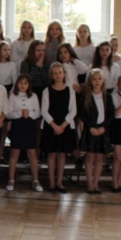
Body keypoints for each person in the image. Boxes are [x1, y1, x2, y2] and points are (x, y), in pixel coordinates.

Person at [40, 63, 77, 193]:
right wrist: (55, 126)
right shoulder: (47, 91)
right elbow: (44, 111)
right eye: (55, 73)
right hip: (51, 126)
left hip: (65, 126)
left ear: (64, 74)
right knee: (51, 154)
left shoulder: (70, 91)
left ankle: (59, 182)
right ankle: (51, 183)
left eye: (60, 72)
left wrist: (62, 126)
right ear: (52, 76)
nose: (58, 75)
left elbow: (73, 111)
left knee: (62, 155)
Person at [79, 69, 115, 194]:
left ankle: (96, 183)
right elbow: (82, 114)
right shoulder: (86, 96)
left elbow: (111, 114)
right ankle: (89, 183)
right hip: (91, 130)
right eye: (94, 79)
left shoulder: (107, 96)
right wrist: (90, 127)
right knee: (90, 158)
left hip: (102, 130)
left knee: (100, 158)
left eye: (99, 79)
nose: (97, 81)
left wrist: (103, 127)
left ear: (103, 81)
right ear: (90, 81)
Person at [6, 74, 43, 192]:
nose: (23, 85)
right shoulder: (13, 96)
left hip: (30, 125)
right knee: (14, 152)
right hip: (17, 125)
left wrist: (29, 114)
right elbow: (8, 113)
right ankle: (11, 179)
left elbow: (37, 112)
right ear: (17, 84)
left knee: (32, 153)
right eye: (20, 83)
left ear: (29, 85)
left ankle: (35, 179)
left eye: (25, 83)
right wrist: (20, 113)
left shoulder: (33, 96)